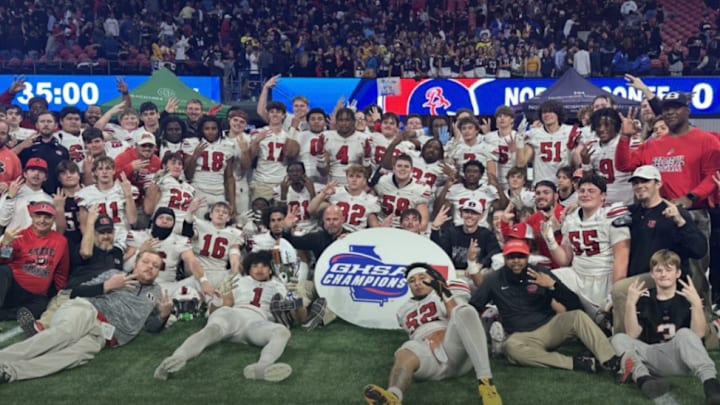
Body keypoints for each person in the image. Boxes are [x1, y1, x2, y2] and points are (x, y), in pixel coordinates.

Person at [471, 240, 636, 379]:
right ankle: (577, 363)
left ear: (528, 257)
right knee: (511, 349)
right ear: (505, 258)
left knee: (577, 316)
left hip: (551, 327)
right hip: (521, 335)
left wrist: (553, 286)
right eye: (512, 257)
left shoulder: (541, 273)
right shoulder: (493, 280)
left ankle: (611, 360)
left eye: (520, 256)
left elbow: (574, 304)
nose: (516, 261)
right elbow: (474, 306)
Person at [0, 250, 172, 383]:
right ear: (136, 263)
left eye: (155, 266)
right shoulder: (115, 274)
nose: (150, 267)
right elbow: (76, 292)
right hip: (87, 311)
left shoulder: (157, 293)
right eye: (146, 262)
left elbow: (151, 327)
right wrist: (107, 286)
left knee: (71, 357)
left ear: (158, 272)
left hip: (105, 337)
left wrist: (163, 316)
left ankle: (10, 372)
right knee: (62, 335)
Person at [363, 263, 502, 405]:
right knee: (405, 350)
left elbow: (456, 315)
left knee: (465, 310)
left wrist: (444, 292)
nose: (417, 283)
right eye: (412, 280)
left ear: (432, 279)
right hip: (428, 357)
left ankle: (486, 384)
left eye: (422, 278)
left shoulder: (442, 295)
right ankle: (393, 397)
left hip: (454, 349)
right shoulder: (402, 310)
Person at [153, 251, 294, 382]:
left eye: (264, 266)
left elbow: (298, 317)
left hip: (258, 323)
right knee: (212, 329)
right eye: (255, 266)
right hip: (235, 315)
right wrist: (218, 299)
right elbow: (218, 309)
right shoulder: (239, 280)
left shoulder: (280, 286)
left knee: (282, 332)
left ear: (270, 269)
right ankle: (177, 357)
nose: (259, 269)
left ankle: (262, 368)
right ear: (249, 269)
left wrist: (296, 301)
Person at [611, 250, 720, 403]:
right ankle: (644, 380)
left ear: (678, 273)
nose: (663, 274)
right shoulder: (645, 297)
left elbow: (699, 334)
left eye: (669, 270)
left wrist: (695, 304)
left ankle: (711, 386)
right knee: (619, 339)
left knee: (685, 334)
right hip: (652, 356)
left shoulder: (687, 296)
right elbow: (633, 334)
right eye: (659, 270)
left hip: (682, 358)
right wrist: (630, 304)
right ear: (652, 274)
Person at [610, 166, 708, 333]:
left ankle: (623, 342)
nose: (639, 186)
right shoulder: (632, 213)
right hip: (640, 275)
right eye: (636, 182)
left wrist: (680, 222)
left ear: (658, 183)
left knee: (620, 290)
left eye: (645, 181)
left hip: (665, 276)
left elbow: (699, 250)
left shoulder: (675, 212)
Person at [543, 174, 630, 319]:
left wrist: (614, 291)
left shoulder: (611, 215)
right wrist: (550, 239)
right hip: (577, 276)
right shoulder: (571, 219)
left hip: (603, 278)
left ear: (603, 196)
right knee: (542, 278)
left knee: (608, 324)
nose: (585, 194)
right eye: (582, 191)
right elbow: (564, 260)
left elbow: (621, 258)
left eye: (591, 191)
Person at [0, 202, 69, 320]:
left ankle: (4, 315)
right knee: (3, 271)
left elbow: (61, 272)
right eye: (38, 216)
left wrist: (59, 293)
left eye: (47, 217)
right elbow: (3, 261)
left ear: (53, 219)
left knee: (40, 309)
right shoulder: (19, 236)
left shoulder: (61, 241)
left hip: (36, 295)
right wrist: (5, 245)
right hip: (14, 288)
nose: (42, 220)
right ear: (31, 216)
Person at [430, 201, 501, 286]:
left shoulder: (486, 234)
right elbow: (438, 250)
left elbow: (495, 252)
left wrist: (480, 264)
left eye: (474, 213)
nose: (469, 215)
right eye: (466, 212)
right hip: (453, 274)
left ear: (481, 217)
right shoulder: (451, 232)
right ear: (461, 214)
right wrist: (435, 228)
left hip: (476, 275)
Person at [76, 157, 137, 250]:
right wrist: (91, 243)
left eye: (108, 168)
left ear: (113, 171)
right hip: (98, 239)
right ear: (95, 172)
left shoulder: (125, 189)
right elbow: (84, 226)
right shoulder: (85, 194)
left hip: (121, 238)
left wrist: (128, 195)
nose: (104, 172)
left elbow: (132, 220)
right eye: (100, 169)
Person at [182, 115, 237, 215]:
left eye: (214, 128)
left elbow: (229, 177)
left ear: (219, 130)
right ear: (201, 130)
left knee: (219, 223)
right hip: (199, 190)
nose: (210, 131)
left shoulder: (227, 145)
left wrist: (233, 203)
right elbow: (187, 175)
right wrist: (195, 156)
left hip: (219, 192)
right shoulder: (193, 143)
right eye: (207, 128)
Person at [580, 108, 633, 205]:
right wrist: (585, 163)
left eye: (607, 125)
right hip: (602, 203)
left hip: (627, 201)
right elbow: (590, 182)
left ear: (616, 125)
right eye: (598, 125)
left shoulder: (629, 143)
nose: (601, 129)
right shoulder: (591, 147)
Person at [307, 164, 381, 232]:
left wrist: (384, 227)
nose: (354, 180)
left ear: (364, 180)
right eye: (351, 176)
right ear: (347, 178)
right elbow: (311, 209)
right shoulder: (335, 192)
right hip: (333, 233)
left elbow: (374, 226)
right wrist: (323, 193)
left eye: (358, 176)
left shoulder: (370, 200)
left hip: (355, 236)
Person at [517, 100, 576, 183]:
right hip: (541, 183)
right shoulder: (533, 133)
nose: (547, 115)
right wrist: (519, 139)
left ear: (558, 114)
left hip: (564, 183)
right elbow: (521, 163)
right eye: (544, 112)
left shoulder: (570, 131)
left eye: (551, 111)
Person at [16, 111, 70, 195]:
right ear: (37, 125)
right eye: (42, 121)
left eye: (49, 121)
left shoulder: (63, 150)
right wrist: (21, 146)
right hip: (27, 193)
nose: (46, 124)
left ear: (56, 125)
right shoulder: (26, 147)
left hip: (54, 194)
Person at [374, 153, 431, 229]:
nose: (402, 169)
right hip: (382, 225)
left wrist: (408, 232)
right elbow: (370, 210)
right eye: (399, 166)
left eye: (406, 166)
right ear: (393, 168)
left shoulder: (420, 188)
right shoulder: (382, 181)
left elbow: (423, 223)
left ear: (412, 170)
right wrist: (378, 228)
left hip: (406, 230)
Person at [143, 152, 196, 233]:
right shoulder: (158, 180)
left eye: (180, 164)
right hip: (163, 225)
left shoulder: (189, 188)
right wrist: (156, 181)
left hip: (182, 228)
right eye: (173, 163)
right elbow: (148, 209)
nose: (177, 166)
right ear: (164, 166)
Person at [318, 108, 370, 185]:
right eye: (341, 120)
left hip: (356, 183)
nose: (344, 123)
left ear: (353, 122)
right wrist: (320, 158)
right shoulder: (327, 137)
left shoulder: (364, 139)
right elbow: (323, 173)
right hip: (333, 183)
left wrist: (366, 160)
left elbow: (368, 173)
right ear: (336, 122)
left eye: (347, 120)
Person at [0, 158, 53, 232]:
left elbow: (52, 228)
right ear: (25, 174)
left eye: (41, 171)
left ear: (45, 177)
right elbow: (2, 221)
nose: (36, 173)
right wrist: (10, 197)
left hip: (38, 242)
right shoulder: (11, 191)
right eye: (32, 170)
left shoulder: (49, 200)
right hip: (14, 241)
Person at [250, 102, 288, 200]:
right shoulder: (259, 132)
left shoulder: (288, 136)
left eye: (278, 112)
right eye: (272, 112)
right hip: (262, 181)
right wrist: (256, 141)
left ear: (283, 115)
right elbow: (251, 157)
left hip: (281, 181)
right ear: (268, 115)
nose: (275, 114)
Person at [0, 120, 21, 186]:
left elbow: (19, 181)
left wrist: (7, 185)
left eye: (3, 133)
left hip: (5, 195)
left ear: (7, 136)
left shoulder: (12, 157)